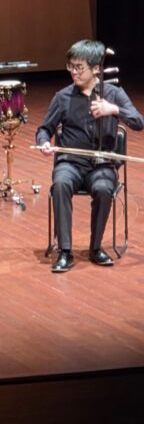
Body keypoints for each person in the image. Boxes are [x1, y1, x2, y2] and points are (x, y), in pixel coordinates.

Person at [36, 40, 144, 272]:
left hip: (102, 165)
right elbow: (44, 129)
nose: (73, 72)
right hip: (70, 163)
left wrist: (113, 109)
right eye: (71, 66)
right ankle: (64, 251)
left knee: (104, 189)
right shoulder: (63, 97)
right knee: (61, 184)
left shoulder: (113, 94)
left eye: (79, 67)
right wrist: (44, 142)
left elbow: (138, 122)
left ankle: (96, 247)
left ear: (96, 68)